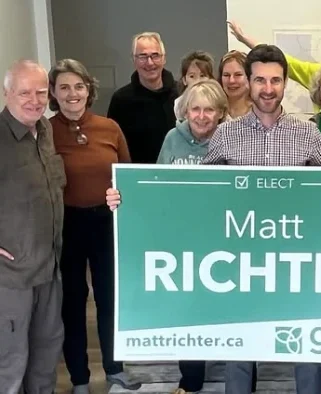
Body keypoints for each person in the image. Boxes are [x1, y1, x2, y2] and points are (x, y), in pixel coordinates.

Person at [107, 44, 321, 394]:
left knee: (306, 350)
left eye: (275, 80)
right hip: (243, 264)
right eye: (260, 80)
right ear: (248, 83)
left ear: (286, 82)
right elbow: (196, 197)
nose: (268, 88)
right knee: (239, 350)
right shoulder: (226, 135)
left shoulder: (307, 134)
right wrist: (131, 200)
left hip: (297, 263)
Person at [104, 79, 229, 394]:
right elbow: (156, 184)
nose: (201, 116)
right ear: (186, 110)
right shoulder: (173, 137)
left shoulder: (230, 139)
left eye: (208, 110)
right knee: (187, 308)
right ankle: (190, 382)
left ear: (220, 114)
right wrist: (123, 196)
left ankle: (238, 377)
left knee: (225, 308)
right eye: (195, 109)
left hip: (223, 237)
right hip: (182, 239)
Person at [48, 59, 140, 393]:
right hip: (65, 226)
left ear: (89, 90)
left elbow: (127, 176)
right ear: (53, 94)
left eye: (79, 86)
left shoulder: (109, 127)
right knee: (72, 303)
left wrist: (121, 194)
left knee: (110, 300)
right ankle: (80, 380)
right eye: (64, 88)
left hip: (105, 222)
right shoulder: (44, 131)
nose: (72, 94)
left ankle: (115, 369)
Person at [0, 60, 66, 394]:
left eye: (41, 92)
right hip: (10, 278)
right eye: (25, 92)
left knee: (45, 357)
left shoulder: (45, 130)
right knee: (10, 365)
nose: (34, 99)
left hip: (49, 270)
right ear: (6, 93)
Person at [107, 31, 179, 164]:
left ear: (164, 58)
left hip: (177, 176)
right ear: (133, 60)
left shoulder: (182, 95)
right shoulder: (120, 100)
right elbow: (113, 146)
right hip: (137, 178)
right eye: (143, 56)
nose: (150, 63)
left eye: (155, 56)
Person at [174, 50, 215, 122]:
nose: (197, 80)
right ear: (184, 80)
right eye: (192, 76)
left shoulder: (216, 100)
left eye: (202, 75)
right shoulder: (179, 104)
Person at [217, 50, 252, 118]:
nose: (231, 81)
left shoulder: (260, 112)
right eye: (226, 75)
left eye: (238, 75)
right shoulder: (214, 111)